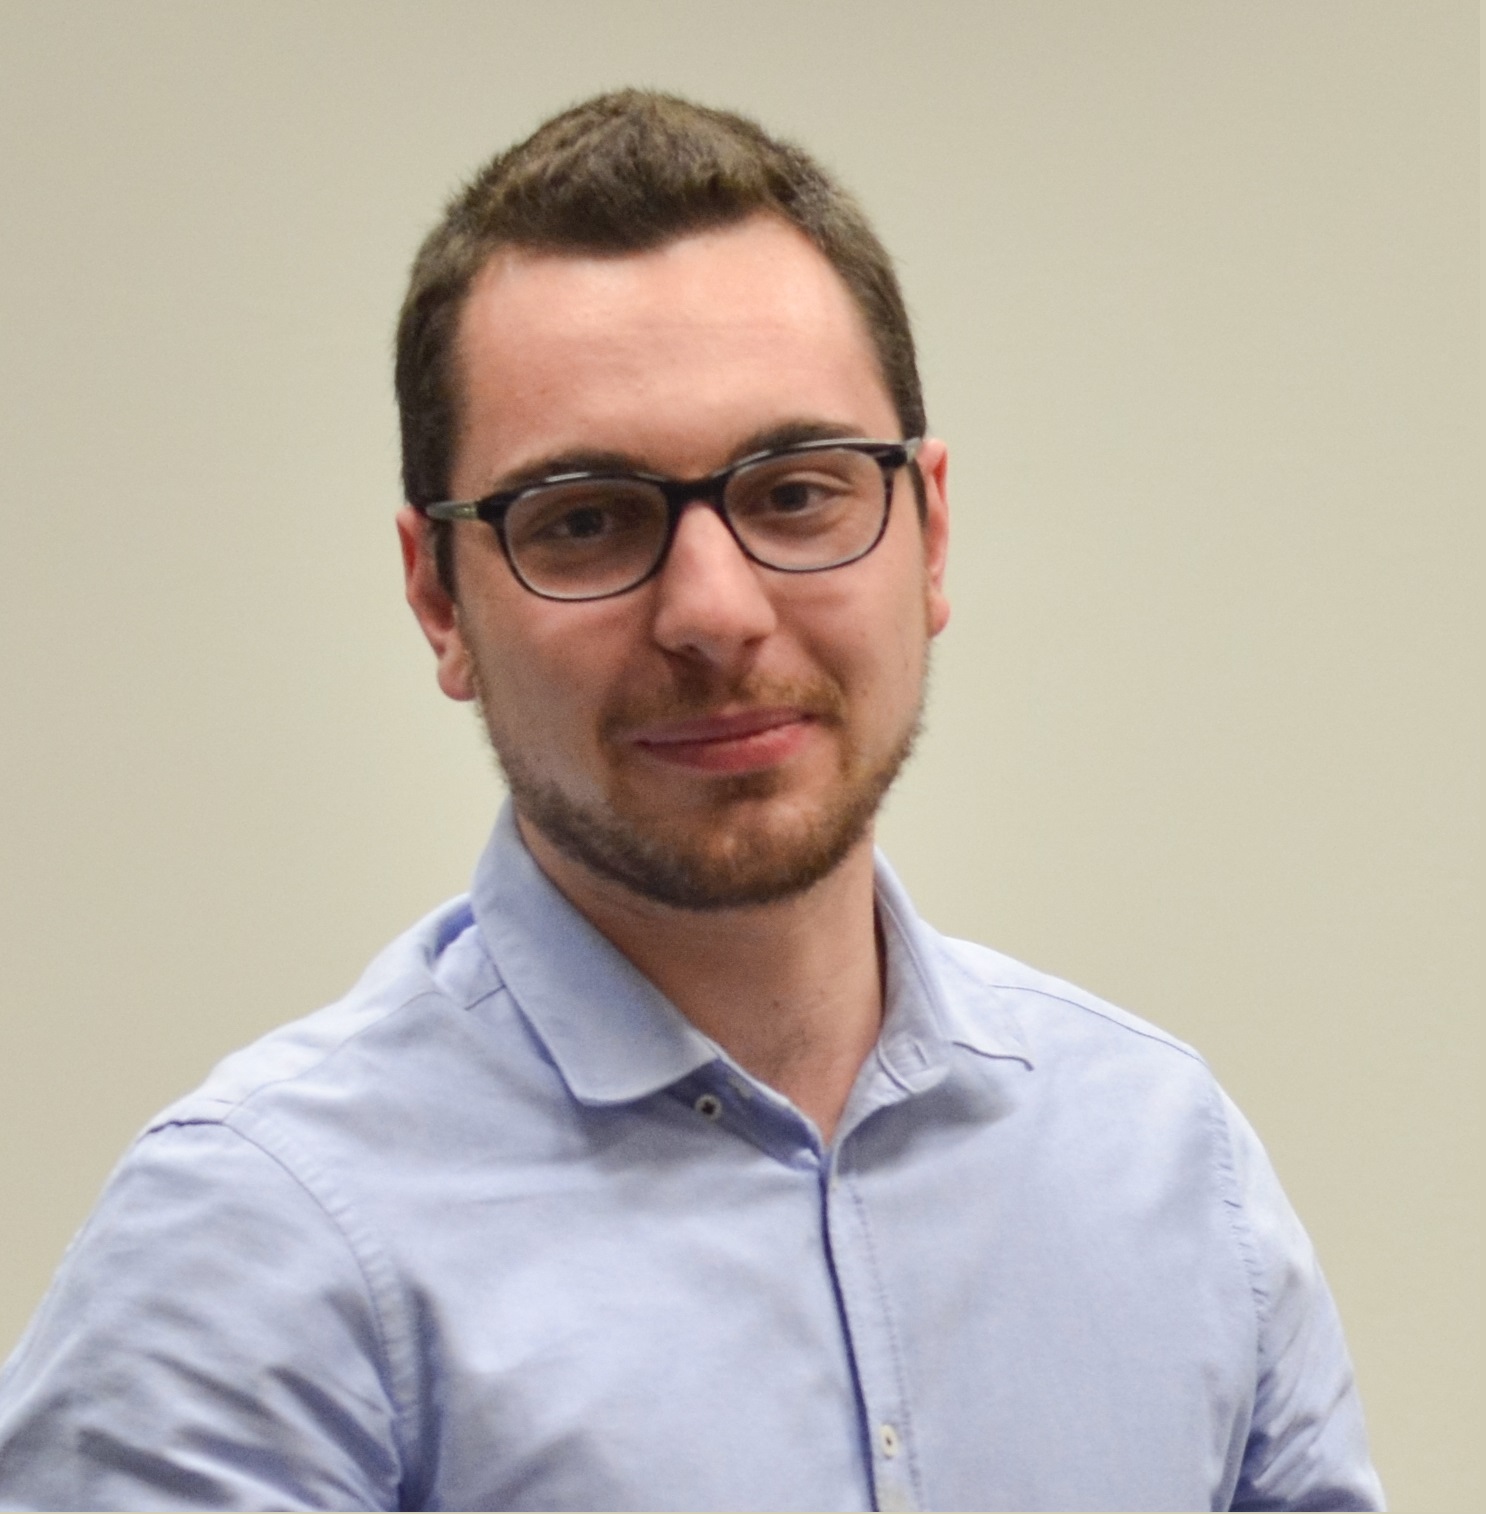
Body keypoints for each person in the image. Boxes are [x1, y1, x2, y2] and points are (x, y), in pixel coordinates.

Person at [0, 91, 1382, 1513]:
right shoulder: (257, 1248)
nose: (715, 612)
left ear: (929, 535)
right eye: (586, 520)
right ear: (439, 600)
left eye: (795, 493)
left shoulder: (1166, 1164)